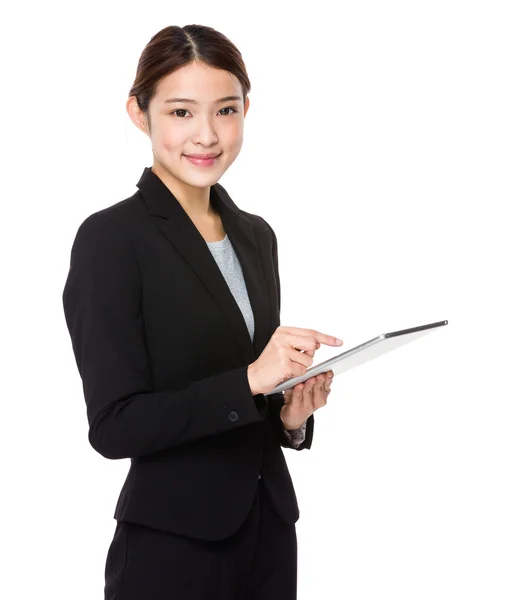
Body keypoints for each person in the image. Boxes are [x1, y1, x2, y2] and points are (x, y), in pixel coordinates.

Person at [62, 23, 343, 600]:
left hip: (269, 535)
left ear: (246, 110)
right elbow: (114, 425)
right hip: (174, 548)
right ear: (140, 114)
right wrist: (250, 380)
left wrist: (290, 418)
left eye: (226, 109)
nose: (208, 135)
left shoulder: (256, 237)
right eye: (182, 112)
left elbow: (247, 402)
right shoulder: (111, 239)